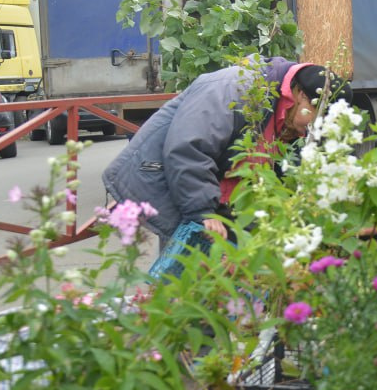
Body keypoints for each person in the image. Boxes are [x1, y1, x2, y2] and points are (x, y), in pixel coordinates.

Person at [103, 58, 332, 248]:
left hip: (218, 200)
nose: (316, 128)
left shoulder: (283, 107)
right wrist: (203, 211)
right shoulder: (234, 88)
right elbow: (188, 149)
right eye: (317, 116)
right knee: (185, 275)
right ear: (300, 94)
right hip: (172, 184)